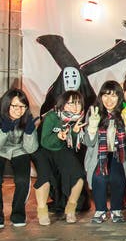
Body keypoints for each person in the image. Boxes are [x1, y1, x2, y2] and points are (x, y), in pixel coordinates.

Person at [84, 81, 126, 224]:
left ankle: (116, 210)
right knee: (99, 177)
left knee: (117, 177)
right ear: (100, 97)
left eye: (113, 96)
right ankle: (100, 210)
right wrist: (92, 127)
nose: (109, 100)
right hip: (99, 154)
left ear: (120, 97)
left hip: (118, 153)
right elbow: (89, 142)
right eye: (105, 95)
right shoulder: (94, 111)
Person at [34, 91, 87, 225]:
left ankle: (70, 208)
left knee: (78, 175)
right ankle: (42, 211)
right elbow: (45, 141)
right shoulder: (52, 116)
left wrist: (74, 133)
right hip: (43, 150)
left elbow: (73, 145)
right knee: (44, 178)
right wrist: (58, 136)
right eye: (70, 103)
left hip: (61, 149)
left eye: (78, 103)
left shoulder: (79, 119)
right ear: (62, 104)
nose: (74, 107)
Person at [0, 89, 38, 227]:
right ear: (6, 104)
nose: (19, 110)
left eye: (22, 106)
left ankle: (18, 214)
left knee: (22, 180)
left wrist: (29, 132)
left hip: (19, 150)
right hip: (1, 150)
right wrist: (4, 130)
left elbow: (31, 149)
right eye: (15, 106)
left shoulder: (27, 118)